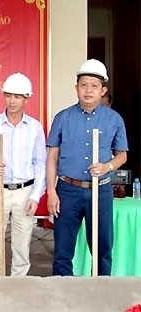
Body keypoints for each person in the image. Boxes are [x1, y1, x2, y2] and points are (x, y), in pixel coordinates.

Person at [47, 59, 128, 276]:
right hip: (67, 190)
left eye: (94, 86)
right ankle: (62, 299)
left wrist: (107, 166)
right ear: (76, 88)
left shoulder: (114, 119)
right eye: (84, 85)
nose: (88, 90)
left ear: (103, 90)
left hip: (100, 190)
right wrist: (51, 191)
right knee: (63, 251)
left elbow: (122, 156)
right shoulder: (63, 117)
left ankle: (101, 296)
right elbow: (52, 157)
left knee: (102, 249)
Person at [0, 72, 46, 276]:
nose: (12, 101)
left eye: (17, 96)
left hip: (24, 190)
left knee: (22, 246)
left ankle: (18, 289)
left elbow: (40, 162)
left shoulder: (34, 128)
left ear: (26, 98)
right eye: (8, 95)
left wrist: (35, 195)